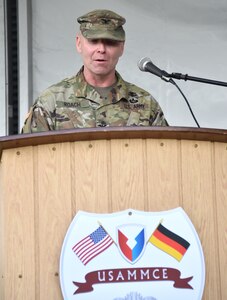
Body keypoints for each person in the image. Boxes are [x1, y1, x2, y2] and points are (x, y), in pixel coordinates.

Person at [22, 9, 168, 133]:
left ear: (121, 47)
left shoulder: (145, 103)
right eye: (93, 41)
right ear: (79, 44)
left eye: (110, 42)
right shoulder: (52, 101)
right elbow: (28, 157)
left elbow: (164, 157)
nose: (101, 49)